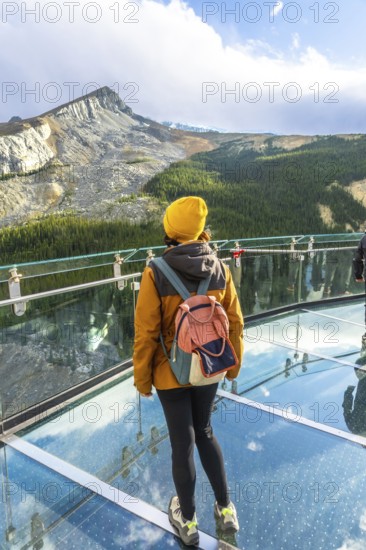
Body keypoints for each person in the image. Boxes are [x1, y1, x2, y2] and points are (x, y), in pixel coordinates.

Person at [133, 196, 244, 546]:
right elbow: (236, 324)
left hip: (171, 373)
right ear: (200, 231)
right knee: (206, 431)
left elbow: (146, 333)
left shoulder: (155, 271)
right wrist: (232, 366)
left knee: (182, 443)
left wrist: (142, 378)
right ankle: (226, 510)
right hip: (209, 366)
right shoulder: (219, 268)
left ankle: (189, 522)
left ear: (169, 230)